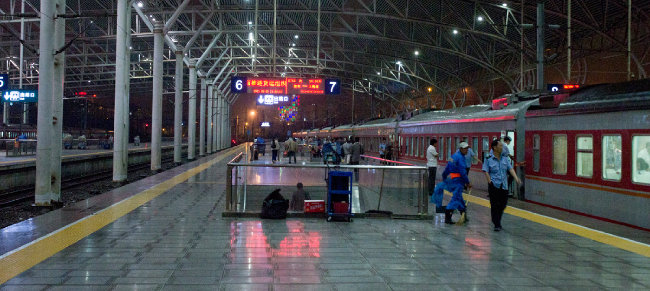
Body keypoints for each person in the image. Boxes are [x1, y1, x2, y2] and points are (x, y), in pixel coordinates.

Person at [482, 140, 522, 231]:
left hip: (504, 185)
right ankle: (497, 223)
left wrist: (516, 178)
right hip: (494, 185)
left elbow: (510, 169)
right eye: (500, 146)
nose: (502, 147)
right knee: (495, 205)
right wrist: (490, 182)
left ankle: (497, 221)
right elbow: (486, 171)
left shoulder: (504, 159)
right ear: (494, 147)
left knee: (503, 204)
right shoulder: (488, 159)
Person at [442, 143, 471, 224]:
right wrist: (467, 182)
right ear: (461, 149)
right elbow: (463, 171)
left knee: (459, 198)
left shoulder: (453, 156)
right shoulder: (461, 158)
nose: (467, 150)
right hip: (458, 181)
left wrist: (444, 177)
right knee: (455, 198)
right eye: (465, 149)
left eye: (467, 149)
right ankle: (448, 216)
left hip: (451, 179)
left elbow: (447, 167)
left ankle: (463, 214)